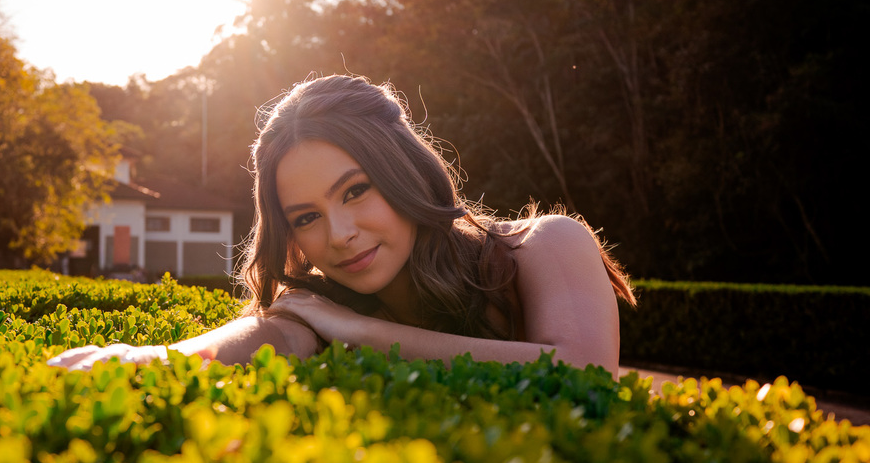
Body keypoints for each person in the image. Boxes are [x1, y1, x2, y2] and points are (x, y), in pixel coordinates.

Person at [48, 74, 636, 378]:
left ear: (402, 170)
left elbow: (584, 373)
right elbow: (266, 337)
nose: (339, 234)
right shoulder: (322, 302)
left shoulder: (547, 245)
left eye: (356, 191)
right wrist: (148, 358)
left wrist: (355, 330)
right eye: (306, 218)